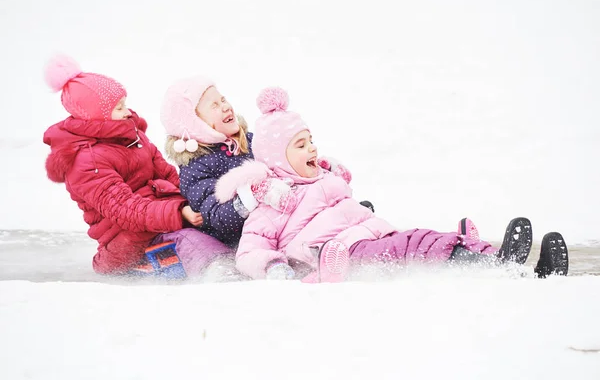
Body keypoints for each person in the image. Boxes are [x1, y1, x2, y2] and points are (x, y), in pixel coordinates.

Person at [215, 87, 569, 282]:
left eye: (311, 139)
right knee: (411, 248)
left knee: (418, 238)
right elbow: (249, 252)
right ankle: (497, 267)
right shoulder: (272, 201)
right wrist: (275, 267)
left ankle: (505, 262)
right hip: (338, 257)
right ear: (277, 156)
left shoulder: (325, 178)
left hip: (374, 237)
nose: (313, 148)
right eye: (300, 144)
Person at [42, 55, 231, 277]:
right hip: (127, 240)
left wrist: (199, 200)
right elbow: (125, 209)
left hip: (159, 218)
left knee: (212, 223)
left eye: (125, 104)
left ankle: (247, 252)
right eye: (118, 108)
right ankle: (221, 269)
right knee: (190, 240)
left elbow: (169, 175)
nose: (127, 112)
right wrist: (178, 212)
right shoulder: (86, 162)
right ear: (95, 116)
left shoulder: (133, 137)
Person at [160, 77, 366, 248]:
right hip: (248, 237)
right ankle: (328, 247)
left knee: (317, 203)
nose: (225, 107)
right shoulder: (195, 168)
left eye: (223, 100)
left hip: (282, 217)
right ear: (194, 124)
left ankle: (350, 223)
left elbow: (284, 166)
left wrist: (311, 166)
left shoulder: (250, 141)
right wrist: (253, 195)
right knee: (306, 226)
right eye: (214, 105)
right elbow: (216, 217)